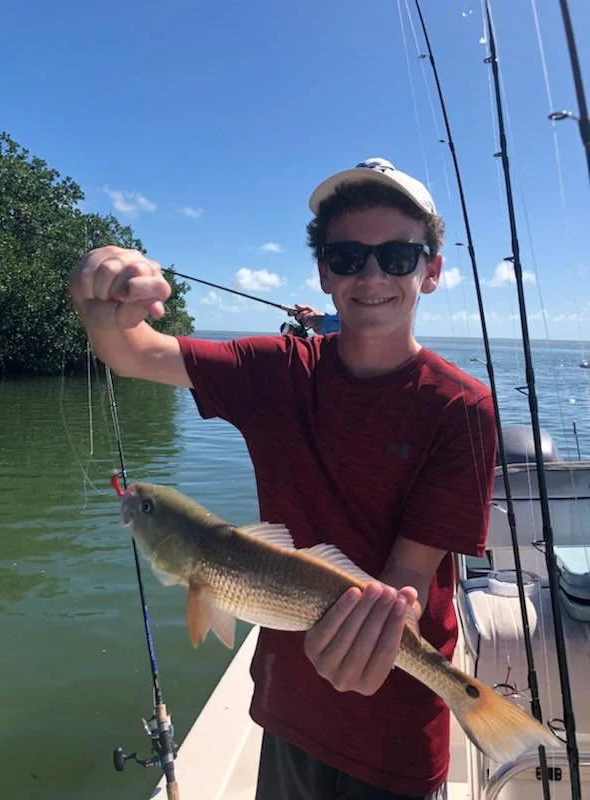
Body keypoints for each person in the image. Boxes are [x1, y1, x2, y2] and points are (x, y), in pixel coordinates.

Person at [69, 156, 497, 800]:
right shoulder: (273, 370)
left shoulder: (462, 407)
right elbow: (134, 351)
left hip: (397, 721)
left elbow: (406, 580)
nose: (372, 274)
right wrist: (108, 303)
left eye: (399, 257)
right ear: (324, 272)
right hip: (291, 708)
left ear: (432, 271)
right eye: (348, 257)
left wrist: (377, 640)